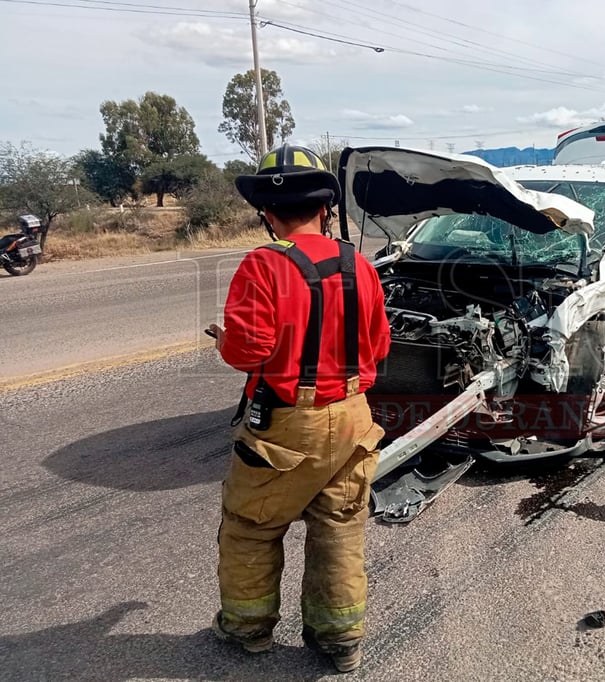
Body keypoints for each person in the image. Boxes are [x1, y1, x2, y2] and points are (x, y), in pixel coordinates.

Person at [206, 144, 391, 673]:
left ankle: (247, 628)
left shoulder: (263, 266)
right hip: (355, 414)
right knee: (339, 526)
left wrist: (226, 341)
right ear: (326, 210)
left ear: (267, 214)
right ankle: (339, 641)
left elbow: (248, 351)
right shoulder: (360, 265)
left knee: (250, 525)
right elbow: (378, 346)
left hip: (287, 422)